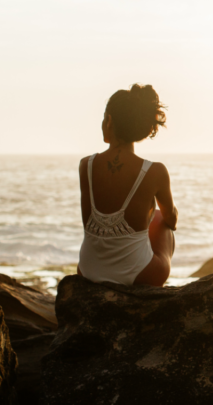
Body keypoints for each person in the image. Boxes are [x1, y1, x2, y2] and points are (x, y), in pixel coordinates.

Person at [77, 84, 177, 286]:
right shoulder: (155, 171)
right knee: (161, 219)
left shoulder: (86, 165)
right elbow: (172, 220)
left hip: (87, 271)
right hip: (139, 276)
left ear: (109, 120)